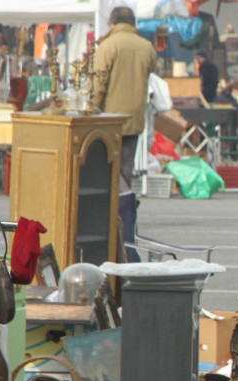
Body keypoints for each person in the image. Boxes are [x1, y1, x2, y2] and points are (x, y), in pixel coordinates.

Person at [91, 6, 157, 263]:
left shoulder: (108, 46)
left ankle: (114, 229)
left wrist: (92, 112)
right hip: (134, 120)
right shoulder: (146, 46)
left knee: (108, 176)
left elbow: (99, 84)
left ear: (112, 22)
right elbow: (151, 70)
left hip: (108, 120)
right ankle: (125, 228)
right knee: (125, 175)